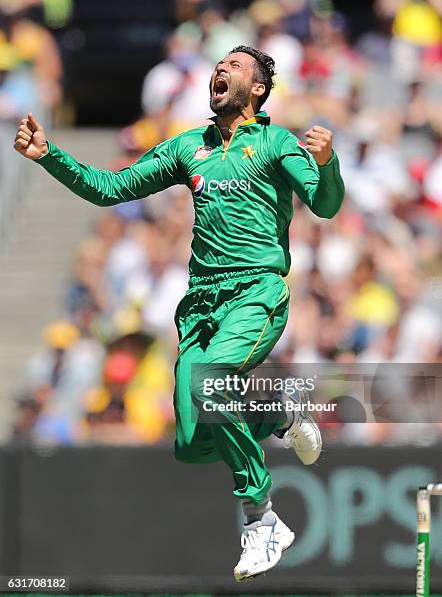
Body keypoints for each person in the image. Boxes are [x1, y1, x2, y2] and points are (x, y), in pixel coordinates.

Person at [14, 45, 345, 581]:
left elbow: (326, 205)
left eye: (235, 66)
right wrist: (51, 154)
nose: (221, 69)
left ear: (258, 89)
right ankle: (278, 414)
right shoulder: (191, 146)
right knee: (192, 446)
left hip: (256, 293)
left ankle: (261, 518)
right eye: (219, 64)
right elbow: (111, 189)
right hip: (199, 306)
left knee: (214, 383)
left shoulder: (275, 141)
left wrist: (327, 164)